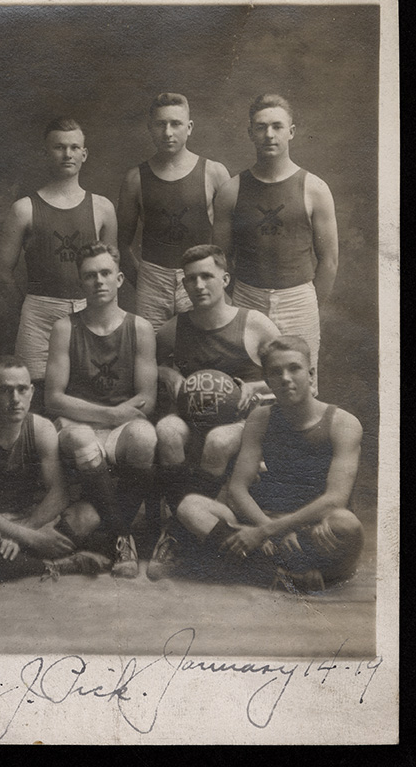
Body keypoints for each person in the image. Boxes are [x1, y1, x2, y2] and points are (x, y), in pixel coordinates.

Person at [177, 336, 365, 593]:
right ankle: (278, 574)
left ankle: (258, 568)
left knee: (347, 523)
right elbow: (238, 488)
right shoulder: (261, 418)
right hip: (269, 520)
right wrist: (266, 528)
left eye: (294, 368)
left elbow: (335, 500)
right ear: (267, 382)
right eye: (276, 372)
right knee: (191, 506)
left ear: (310, 375)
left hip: (314, 529)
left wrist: (265, 532)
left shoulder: (343, 423)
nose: (286, 378)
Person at [148, 244, 280, 580]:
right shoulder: (173, 329)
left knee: (219, 441)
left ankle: (177, 533)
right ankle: (184, 528)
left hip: (244, 422)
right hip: (193, 420)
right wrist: (166, 373)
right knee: (166, 431)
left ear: (225, 277)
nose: (199, 285)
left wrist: (257, 387)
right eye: (190, 279)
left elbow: (291, 373)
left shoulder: (254, 324)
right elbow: (148, 368)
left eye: (207, 276)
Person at [0, 356, 111, 585]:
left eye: (22, 390)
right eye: (5, 391)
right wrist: (32, 539)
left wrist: (24, 532)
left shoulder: (41, 428)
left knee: (88, 515)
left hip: (26, 519)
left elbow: (59, 492)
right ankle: (52, 565)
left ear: (31, 392)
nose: (15, 399)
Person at [45, 242, 158, 579]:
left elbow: (146, 399)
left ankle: (107, 531)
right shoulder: (65, 328)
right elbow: (53, 399)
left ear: (120, 278)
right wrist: (109, 415)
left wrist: (119, 418)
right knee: (80, 437)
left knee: (144, 436)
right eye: (89, 275)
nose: (99, 281)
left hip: (122, 426)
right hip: (77, 426)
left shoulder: (140, 328)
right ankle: (123, 537)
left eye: (106, 273)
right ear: (81, 283)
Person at [214, 93, 338, 385]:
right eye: (261, 127)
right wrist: (235, 306)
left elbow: (329, 260)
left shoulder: (315, 188)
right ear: (250, 133)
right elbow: (219, 259)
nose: (269, 134)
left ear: (291, 132)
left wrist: (307, 304)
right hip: (246, 297)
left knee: (299, 388)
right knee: (247, 386)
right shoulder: (231, 190)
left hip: (299, 300)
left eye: (277, 126)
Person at [0, 116, 118, 405]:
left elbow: (111, 272)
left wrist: (100, 313)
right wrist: (29, 309)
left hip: (90, 311)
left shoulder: (102, 208)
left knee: (91, 394)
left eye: (75, 147)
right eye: (59, 147)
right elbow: (1, 273)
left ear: (84, 154)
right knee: (32, 400)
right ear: (45, 153)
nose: (68, 154)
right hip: (39, 313)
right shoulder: (23, 209)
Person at [117, 92, 230, 331]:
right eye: (160, 124)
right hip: (152, 279)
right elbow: (121, 244)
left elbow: (232, 241)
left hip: (200, 278)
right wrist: (146, 282)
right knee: (152, 352)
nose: (168, 132)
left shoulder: (214, 173)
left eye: (175, 124)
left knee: (200, 349)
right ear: (150, 128)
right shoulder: (135, 178)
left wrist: (216, 281)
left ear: (189, 128)